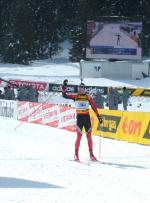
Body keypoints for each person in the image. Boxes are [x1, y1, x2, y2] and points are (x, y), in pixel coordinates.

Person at [62, 82, 102, 161]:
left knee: (89, 137)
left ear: (84, 89)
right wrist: (64, 87)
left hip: (86, 118)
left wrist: (98, 116)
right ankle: (76, 155)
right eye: (79, 88)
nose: (80, 89)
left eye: (82, 88)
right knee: (79, 137)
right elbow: (65, 95)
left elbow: (93, 106)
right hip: (80, 118)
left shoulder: (88, 97)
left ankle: (91, 155)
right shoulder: (76, 96)